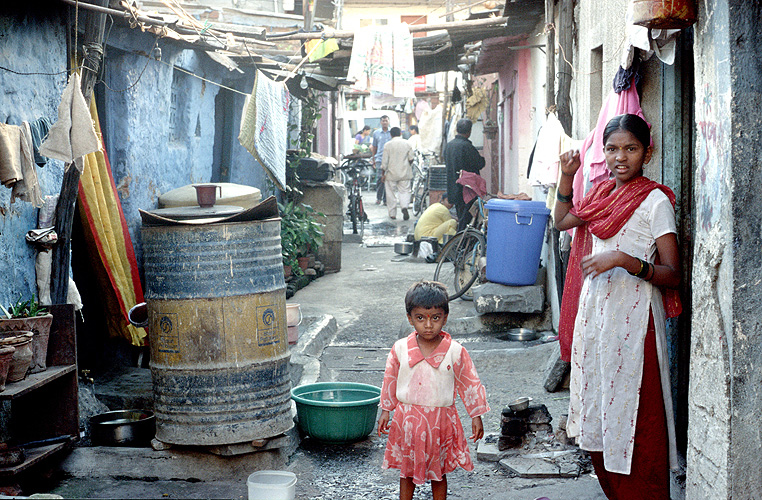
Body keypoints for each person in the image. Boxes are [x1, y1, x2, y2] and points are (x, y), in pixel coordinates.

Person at [554, 114, 681, 500]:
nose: (620, 157)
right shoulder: (600, 194)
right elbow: (561, 221)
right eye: (612, 149)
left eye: (630, 148)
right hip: (595, 320)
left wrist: (626, 261)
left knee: (638, 412)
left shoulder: (655, 200)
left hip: (635, 322)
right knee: (599, 404)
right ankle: (614, 490)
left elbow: (673, 273)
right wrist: (566, 175)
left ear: (647, 151)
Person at [378, 281, 489, 500]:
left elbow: (470, 383)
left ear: (445, 318)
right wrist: (385, 410)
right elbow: (390, 380)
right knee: (406, 472)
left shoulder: (455, 351)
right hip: (407, 422)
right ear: (410, 318)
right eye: (420, 318)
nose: (428, 325)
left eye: (435, 318)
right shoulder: (400, 349)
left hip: (441, 423)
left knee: (439, 473)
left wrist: (476, 415)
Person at [443, 118, 485, 231]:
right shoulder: (467, 147)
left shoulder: (449, 146)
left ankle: (460, 244)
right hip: (467, 190)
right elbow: (479, 163)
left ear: (457, 129)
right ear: (469, 131)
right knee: (466, 220)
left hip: (453, 187)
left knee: (461, 215)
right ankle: (461, 245)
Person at [380, 127, 414, 220]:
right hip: (404, 173)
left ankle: (392, 214)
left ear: (391, 134)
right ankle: (404, 207)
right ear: (400, 133)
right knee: (405, 191)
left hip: (391, 174)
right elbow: (411, 158)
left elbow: (384, 162)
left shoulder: (388, 145)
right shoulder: (407, 143)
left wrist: (383, 174)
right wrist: (407, 166)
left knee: (390, 194)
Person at [371, 115, 392, 205]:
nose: (384, 122)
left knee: (388, 179)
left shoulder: (392, 132)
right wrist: (374, 158)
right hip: (380, 158)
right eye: (383, 121)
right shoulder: (376, 133)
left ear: (389, 122)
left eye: (386, 121)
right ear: (380, 122)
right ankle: (378, 197)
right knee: (380, 178)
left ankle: (386, 199)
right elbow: (374, 147)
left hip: (391, 159)